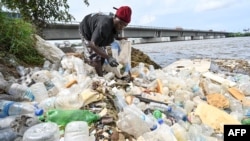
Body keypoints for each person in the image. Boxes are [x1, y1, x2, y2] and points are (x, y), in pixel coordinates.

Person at [79, 6, 132, 77]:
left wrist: (119, 38)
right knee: (96, 58)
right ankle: (100, 78)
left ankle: (100, 70)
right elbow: (93, 44)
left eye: (124, 25)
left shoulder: (116, 26)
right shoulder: (104, 25)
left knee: (103, 56)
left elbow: (113, 33)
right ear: (115, 17)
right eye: (120, 23)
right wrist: (109, 57)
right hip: (87, 30)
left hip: (98, 33)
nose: (121, 27)